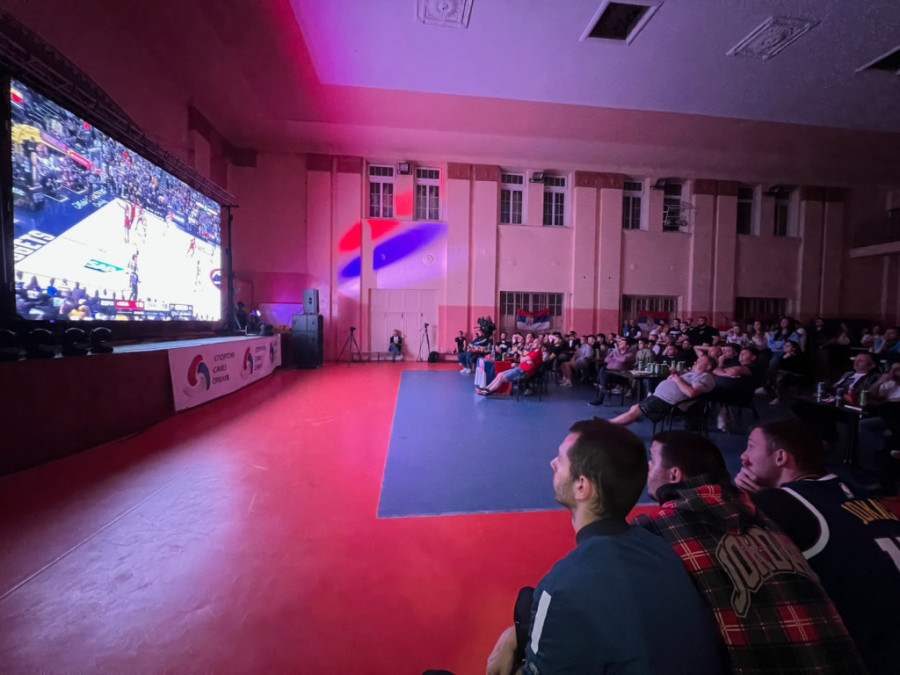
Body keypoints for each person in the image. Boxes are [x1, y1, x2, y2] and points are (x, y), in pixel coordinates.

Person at [486, 419, 721, 675]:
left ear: (581, 486)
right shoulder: (660, 549)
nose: (552, 463)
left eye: (561, 460)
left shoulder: (562, 585)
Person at [633, 431, 866, 674]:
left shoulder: (653, 529)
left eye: (652, 459)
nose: (648, 466)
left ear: (674, 475)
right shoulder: (764, 515)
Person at [734, 419, 900, 674]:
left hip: (870, 657)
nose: (743, 457)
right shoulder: (862, 495)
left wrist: (744, 497)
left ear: (780, 457)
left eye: (750, 446)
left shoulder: (779, 503)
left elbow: (716, 533)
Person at [607, 355, 716, 426]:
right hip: (661, 397)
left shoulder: (706, 377)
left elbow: (691, 393)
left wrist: (677, 380)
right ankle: (614, 426)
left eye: (699, 361)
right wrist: (676, 376)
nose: (695, 362)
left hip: (668, 402)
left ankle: (608, 426)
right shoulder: (697, 373)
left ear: (708, 366)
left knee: (635, 411)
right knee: (634, 408)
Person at [477, 338, 542, 396]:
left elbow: (523, 359)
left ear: (539, 345)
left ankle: (487, 392)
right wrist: (526, 358)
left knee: (502, 377)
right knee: (500, 374)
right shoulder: (532, 351)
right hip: (519, 369)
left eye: (536, 342)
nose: (533, 343)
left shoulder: (537, 353)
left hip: (523, 372)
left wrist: (524, 357)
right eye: (533, 342)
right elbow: (522, 359)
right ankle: (486, 388)